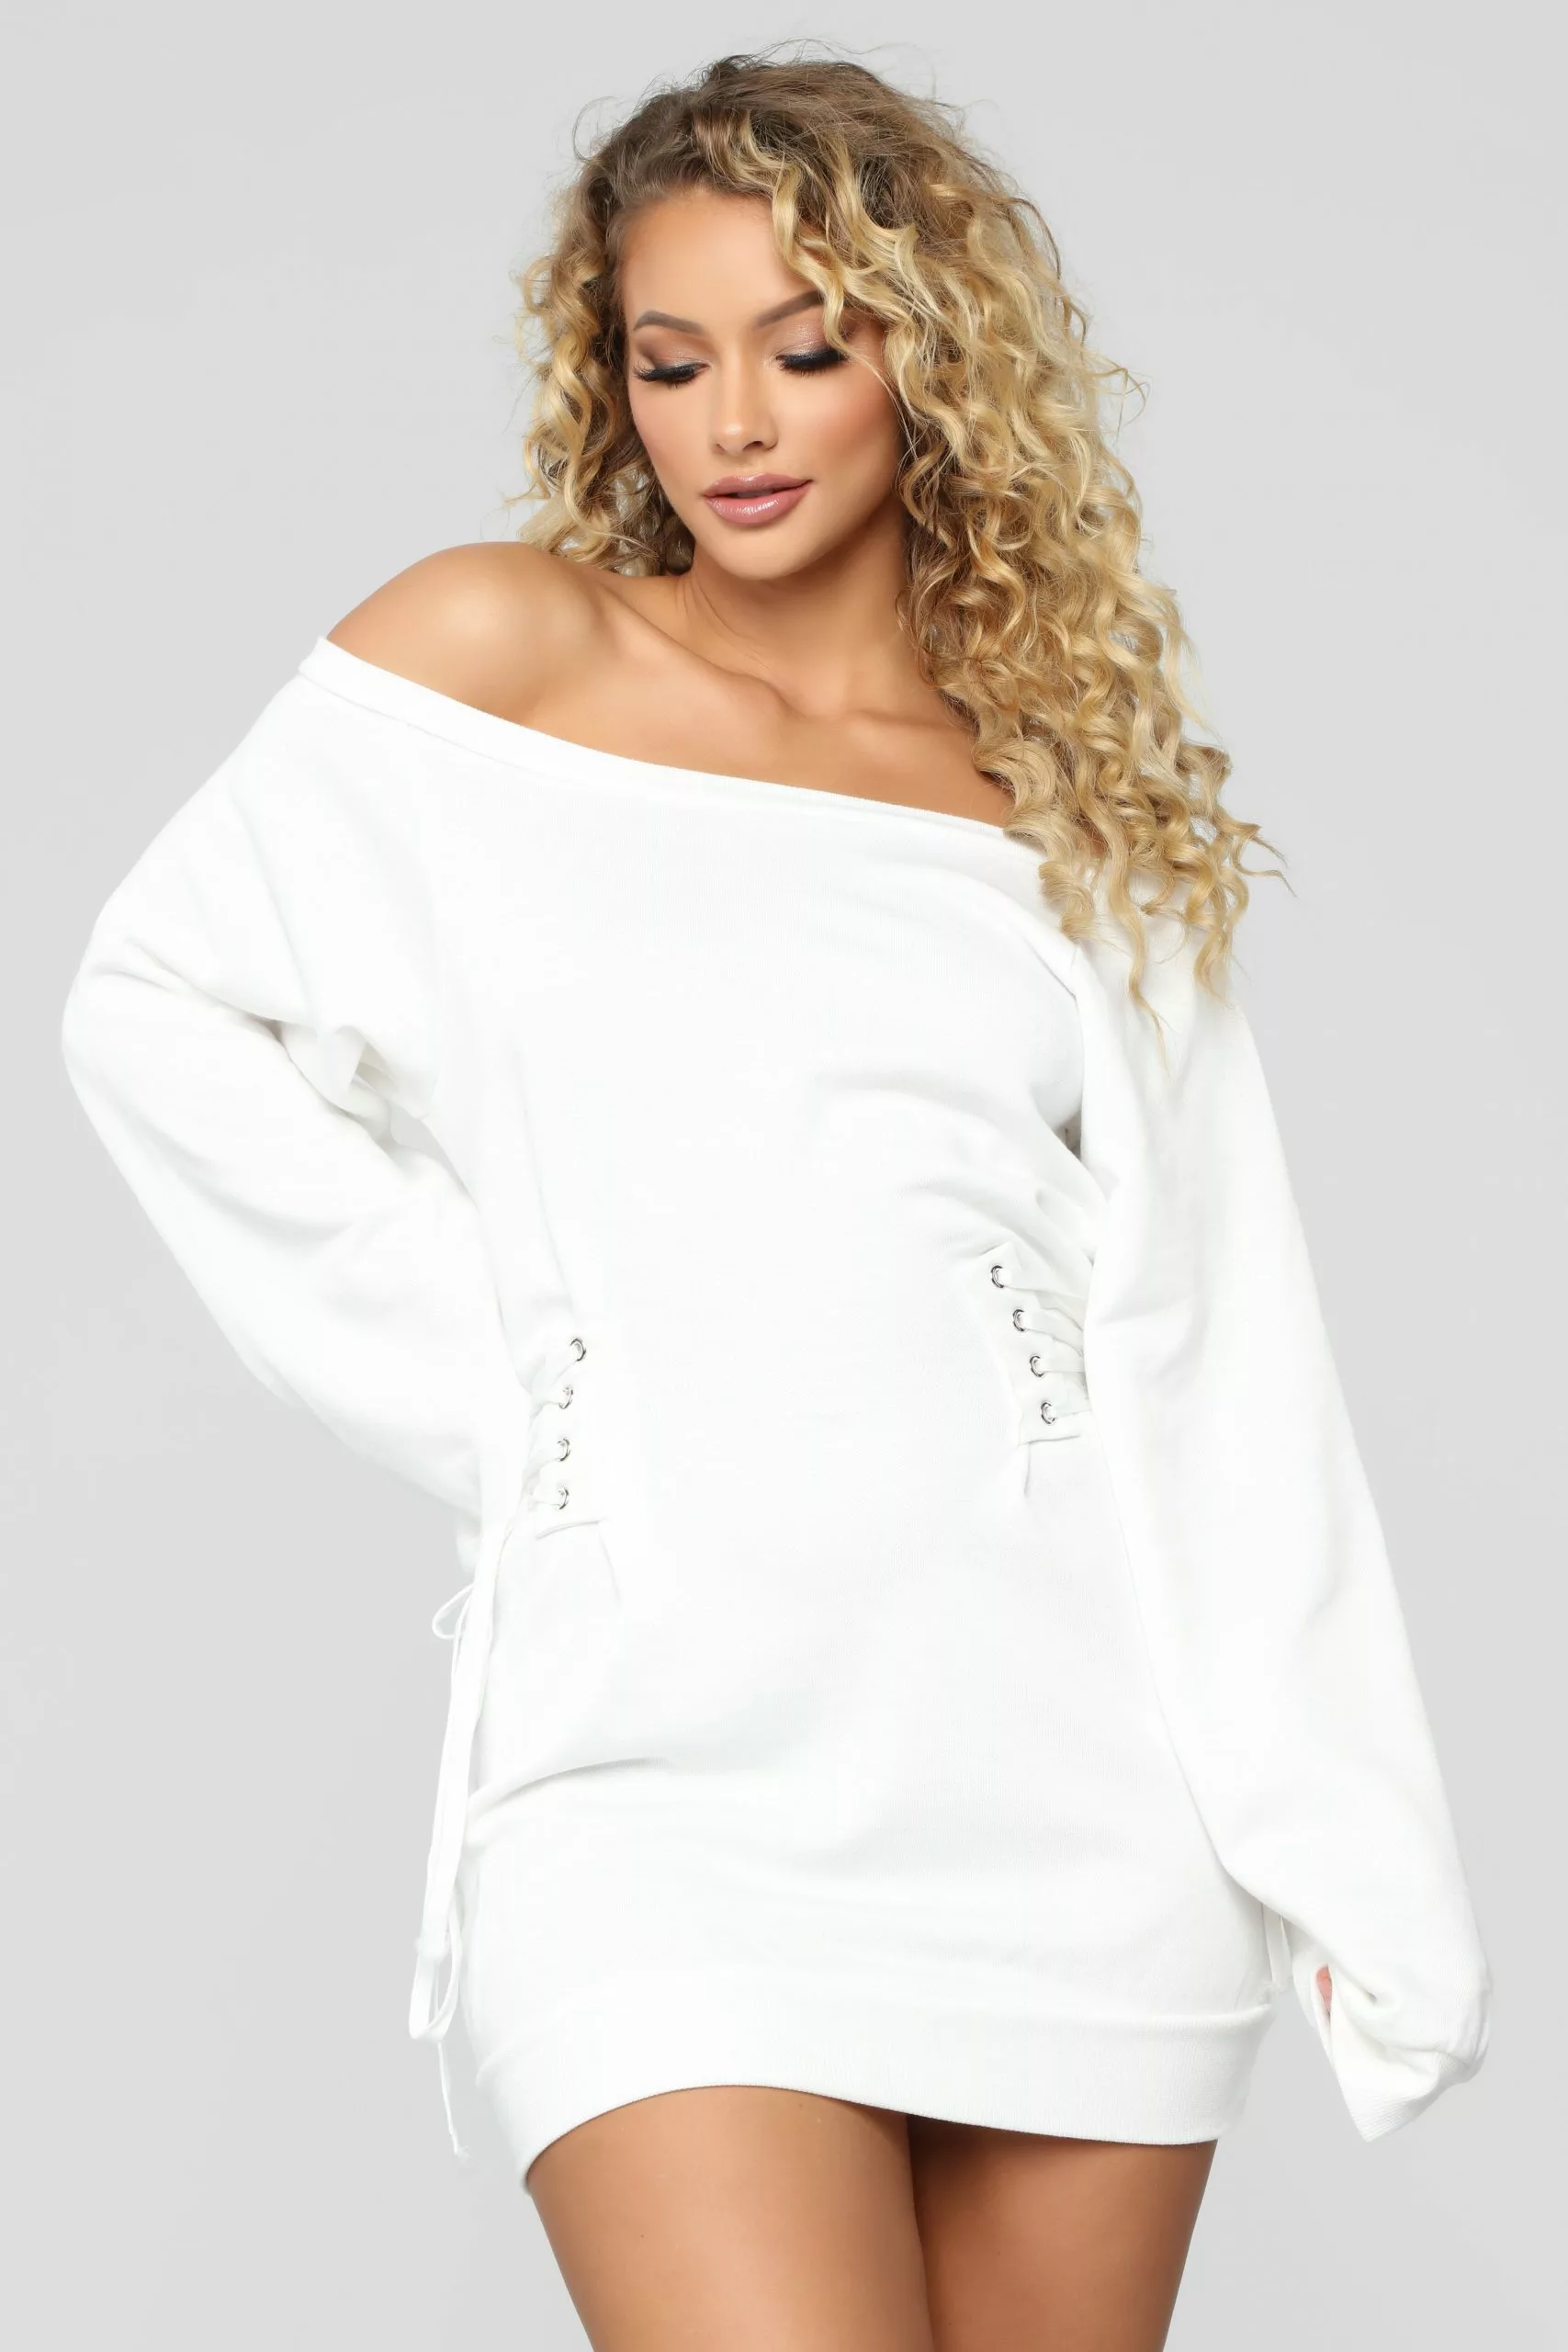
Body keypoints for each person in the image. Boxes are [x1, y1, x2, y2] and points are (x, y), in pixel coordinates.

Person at [59, 46, 1492, 2352]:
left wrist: (1349, 1849)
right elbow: (154, 1004)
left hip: (1073, 1800)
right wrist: (536, 1394)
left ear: (933, 361)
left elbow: (1213, 1348)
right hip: (656, 1780)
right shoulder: (501, 662)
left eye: (806, 347)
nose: (731, 420)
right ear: (609, 377)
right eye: (671, 358)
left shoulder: (1064, 813)